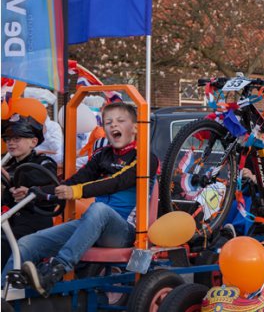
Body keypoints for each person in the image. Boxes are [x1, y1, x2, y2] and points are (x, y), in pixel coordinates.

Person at [4, 102, 159, 297]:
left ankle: (54, 271)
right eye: (108, 122)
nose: (113, 126)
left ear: (135, 127)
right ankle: (5, 294)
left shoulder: (145, 157)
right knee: (27, 243)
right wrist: (35, 191)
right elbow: (74, 181)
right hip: (93, 225)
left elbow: (116, 182)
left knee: (99, 209)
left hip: (127, 232)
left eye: (120, 121)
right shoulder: (102, 155)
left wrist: (75, 191)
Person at [1, 115, 59, 269]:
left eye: (17, 138)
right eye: (8, 139)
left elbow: (43, 181)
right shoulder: (8, 164)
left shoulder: (44, 163)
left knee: (3, 241)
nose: (11, 143)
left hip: (34, 222)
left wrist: (12, 180)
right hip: (9, 220)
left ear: (33, 142)